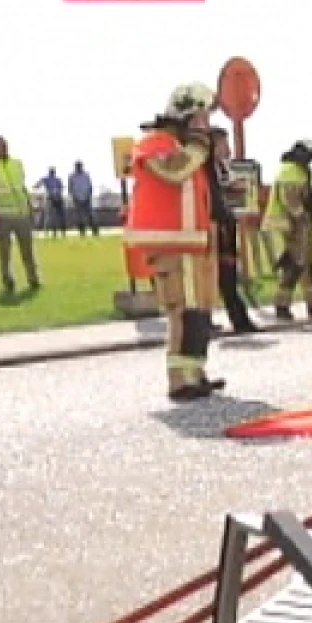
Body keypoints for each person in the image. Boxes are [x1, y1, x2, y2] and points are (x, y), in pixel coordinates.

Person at [127, 83, 225, 401]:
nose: (206, 125)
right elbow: (174, 171)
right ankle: (178, 381)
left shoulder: (187, 149)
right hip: (171, 244)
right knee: (182, 312)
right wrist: (198, 147)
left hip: (193, 244)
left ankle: (195, 372)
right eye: (201, 118)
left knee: (199, 312)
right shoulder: (155, 143)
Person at [264, 139, 312, 323]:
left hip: (296, 225)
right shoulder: (291, 171)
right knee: (294, 265)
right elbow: (290, 200)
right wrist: (303, 217)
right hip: (287, 226)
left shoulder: (296, 170)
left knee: (306, 264)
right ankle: (282, 305)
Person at [207, 127, 260, 335]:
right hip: (216, 230)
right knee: (220, 278)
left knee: (228, 277)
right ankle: (239, 320)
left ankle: (238, 320)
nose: (227, 149)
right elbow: (213, 199)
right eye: (223, 144)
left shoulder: (222, 168)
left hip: (227, 228)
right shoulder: (207, 170)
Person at [0, 136, 40, 293]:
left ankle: (33, 278)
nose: (4, 148)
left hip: (22, 213)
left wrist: (30, 207)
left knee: (27, 249)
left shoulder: (17, 164)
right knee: (5, 251)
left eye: (5, 145)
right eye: (0, 146)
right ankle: (7, 279)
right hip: (3, 215)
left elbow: (22, 187)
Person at [68, 161, 99, 236]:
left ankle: (95, 231)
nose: (79, 168)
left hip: (86, 197)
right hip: (77, 198)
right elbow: (70, 188)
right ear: (75, 167)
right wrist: (74, 196)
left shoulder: (86, 175)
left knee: (90, 215)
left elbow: (90, 185)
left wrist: (89, 194)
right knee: (79, 216)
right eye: (77, 166)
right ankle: (82, 232)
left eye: (80, 166)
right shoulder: (72, 176)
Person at [39, 167, 67, 234]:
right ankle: (50, 230)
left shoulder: (54, 179)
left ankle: (60, 230)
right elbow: (61, 188)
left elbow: (61, 188)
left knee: (56, 215)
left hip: (56, 197)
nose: (52, 173)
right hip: (53, 198)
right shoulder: (49, 179)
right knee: (52, 215)